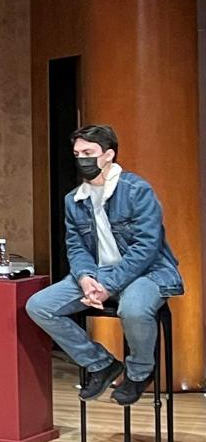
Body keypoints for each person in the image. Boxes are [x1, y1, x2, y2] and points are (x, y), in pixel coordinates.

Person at [25, 124, 183, 405]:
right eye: (77, 153)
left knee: (133, 309)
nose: (81, 159)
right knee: (39, 306)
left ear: (108, 154)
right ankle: (101, 364)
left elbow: (147, 246)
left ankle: (139, 373)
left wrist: (108, 285)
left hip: (147, 272)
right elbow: (76, 246)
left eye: (88, 152)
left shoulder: (137, 190)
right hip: (99, 273)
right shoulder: (74, 200)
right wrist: (86, 278)